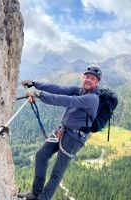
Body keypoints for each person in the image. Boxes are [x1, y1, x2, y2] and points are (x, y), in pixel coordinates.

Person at [18, 64, 102, 200]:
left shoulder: (92, 99)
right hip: (62, 130)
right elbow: (59, 89)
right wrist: (35, 84)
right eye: (87, 76)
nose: (88, 79)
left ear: (97, 82)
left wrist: (40, 95)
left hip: (74, 138)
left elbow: (67, 100)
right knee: (41, 155)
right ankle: (35, 193)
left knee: (57, 172)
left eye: (92, 78)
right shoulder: (80, 91)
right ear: (83, 77)